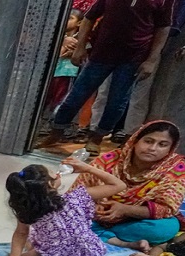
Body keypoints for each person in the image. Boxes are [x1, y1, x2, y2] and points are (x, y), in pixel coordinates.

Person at [44, 0, 175, 153]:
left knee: (116, 102)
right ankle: (57, 131)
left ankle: (96, 139)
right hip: (100, 53)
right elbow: (89, 17)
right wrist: (80, 47)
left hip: (133, 58)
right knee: (76, 95)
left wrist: (151, 60)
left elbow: (163, 28)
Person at [76, 120, 185, 250]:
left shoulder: (175, 169)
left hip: (135, 220)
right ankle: (112, 237)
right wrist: (97, 208)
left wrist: (125, 209)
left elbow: (166, 208)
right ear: (135, 141)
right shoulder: (110, 160)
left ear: (170, 149)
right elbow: (78, 192)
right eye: (148, 141)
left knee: (166, 228)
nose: (152, 148)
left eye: (162, 145)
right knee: (68, 213)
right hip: (98, 215)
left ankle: (101, 234)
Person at [2, 158, 127, 256]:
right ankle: (36, 252)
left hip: (54, 254)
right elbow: (119, 185)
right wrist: (88, 168)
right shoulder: (78, 197)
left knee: (33, 237)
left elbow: (21, 233)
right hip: (89, 253)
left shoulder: (28, 209)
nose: (58, 174)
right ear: (51, 184)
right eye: (53, 173)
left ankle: (36, 252)